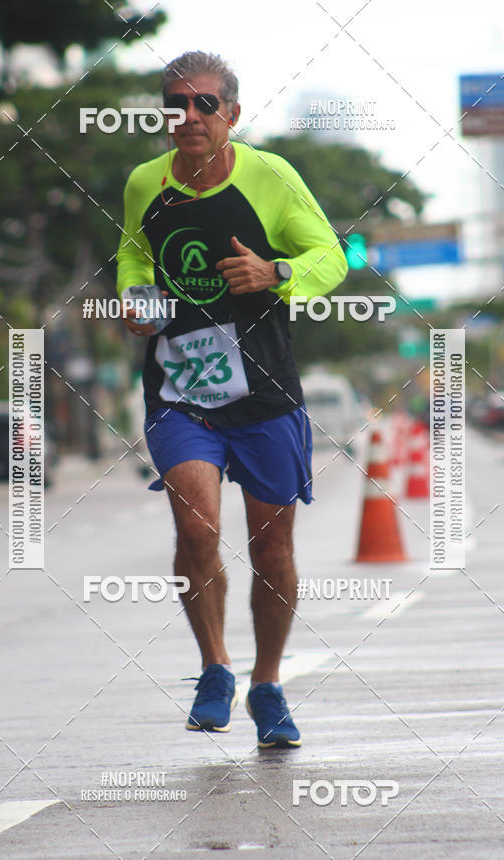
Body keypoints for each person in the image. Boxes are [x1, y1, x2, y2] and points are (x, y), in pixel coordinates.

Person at [116, 50, 348, 748]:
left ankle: (267, 684)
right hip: (180, 387)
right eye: (174, 105)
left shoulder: (271, 177)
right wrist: (134, 296)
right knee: (196, 528)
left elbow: (331, 257)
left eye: (203, 105)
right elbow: (132, 253)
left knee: (272, 546)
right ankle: (214, 665)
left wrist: (276, 271)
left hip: (266, 391)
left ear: (232, 115)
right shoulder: (142, 183)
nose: (187, 117)